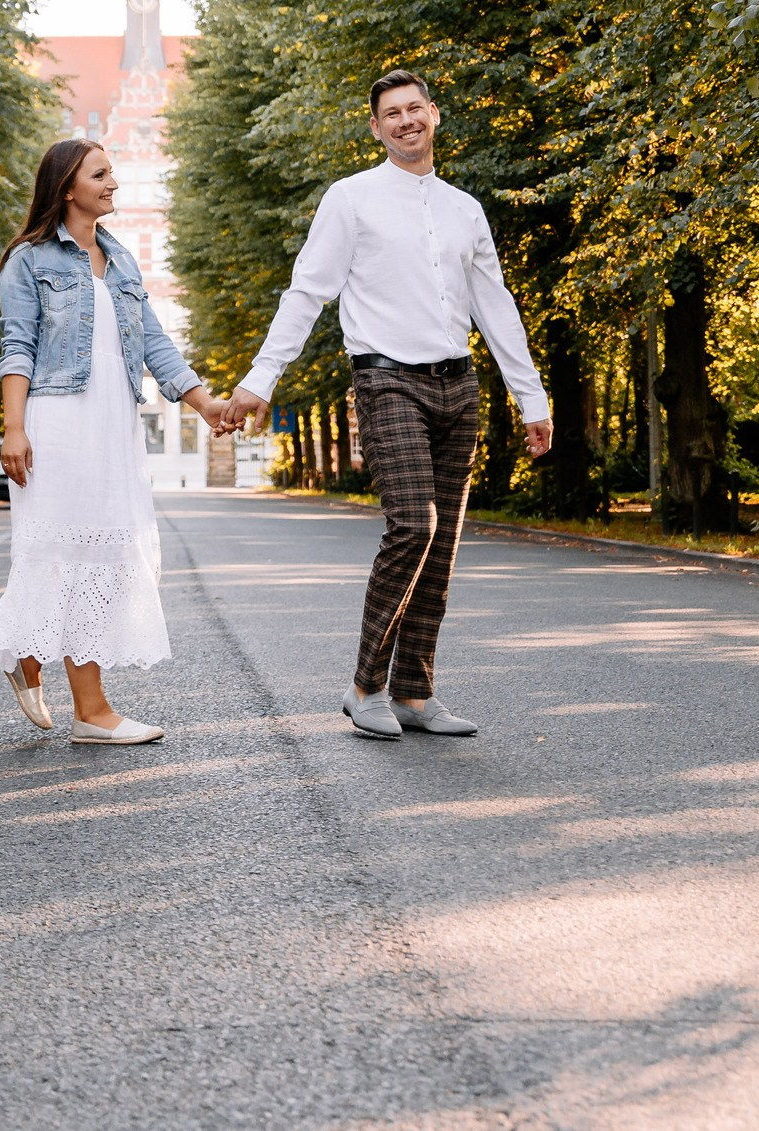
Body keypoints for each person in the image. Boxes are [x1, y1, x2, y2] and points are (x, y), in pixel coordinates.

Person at [221, 69, 552, 741]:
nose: (405, 120)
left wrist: (531, 397)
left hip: (458, 385)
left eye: (414, 109)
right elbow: (306, 291)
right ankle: (366, 684)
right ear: (375, 127)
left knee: (444, 544)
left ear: (434, 115)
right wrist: (261, 377)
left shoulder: (465, 209)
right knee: (414, 525)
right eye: (390, 113)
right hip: (385, 379)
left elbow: (496, 306)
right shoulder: (351, 199)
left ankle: (415, 691)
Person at [0, 138, 238, 745]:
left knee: (105, 553)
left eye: (112, 173)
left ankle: (31, 657)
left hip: (112, 423)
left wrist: (206, 405)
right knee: (70, 556)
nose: (114, 183)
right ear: (68, 186)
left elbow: (154, 343)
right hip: (57, 423)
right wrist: (13, 428)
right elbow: (16, 347)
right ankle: (90, 710)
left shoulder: (120, 259)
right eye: (101, 175)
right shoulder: (30, 260)